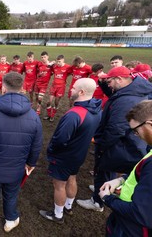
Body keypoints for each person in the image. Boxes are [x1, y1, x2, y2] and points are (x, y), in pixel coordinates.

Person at [0, 72, 43, 234]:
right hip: (16, 166)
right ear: (22, 88)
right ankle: (10, 220)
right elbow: (36, 145)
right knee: (11, 193)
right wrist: (30, 163)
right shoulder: (33, 116)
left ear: (3, 88)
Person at [77, 66, 152, 212]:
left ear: (120, 79)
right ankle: (104, 186)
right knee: (109, 168)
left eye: (110, 81)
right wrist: (103, 83)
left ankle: (97, 201)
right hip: (124, 144)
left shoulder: (127, 100)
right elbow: (113, 96)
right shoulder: (130, 90)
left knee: (104, 165)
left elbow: (116, 129)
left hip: (119, 144)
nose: (109, 84)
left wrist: (101, 145)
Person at [39, 78, 101, 224]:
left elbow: (60, 140)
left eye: (73, 88)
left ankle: (58, 215)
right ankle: (68, 206)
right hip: (79, 154)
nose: (70, 89)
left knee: (59, 185)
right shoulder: (97, 110)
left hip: (64, 156)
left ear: (81, 92)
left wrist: (51, 151)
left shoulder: (74, 114)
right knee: (72, 178)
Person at [99, 100, 152, 236]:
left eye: (136, 130)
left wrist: (107, 198)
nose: (136, 135)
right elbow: (142, 178)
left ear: (149, 124)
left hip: (132, 229)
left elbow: (140, 214)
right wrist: (120, 180)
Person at [44, 55, 72, 121]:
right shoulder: (55, 66)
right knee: (49, 102)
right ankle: (49, 115)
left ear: (63, 60)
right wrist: (51, 63)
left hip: (61, 87)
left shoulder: (67, 67)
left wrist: (66, 76)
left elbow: (72, 72)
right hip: (54, 86)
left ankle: (52, 116)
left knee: (56, 102)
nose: (58, 63)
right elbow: (48, 66)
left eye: (59, 61)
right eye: (57, 61)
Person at [34, 51, 52, 115]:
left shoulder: (51, 65)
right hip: (37, 83)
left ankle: (38, 109)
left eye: (45, 57)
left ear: (48, 57)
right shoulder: (39, 64)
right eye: (42, 57)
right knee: (36, 97)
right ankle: (38, 106)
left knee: (40, 97)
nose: (43, 58)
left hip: (44, 84)